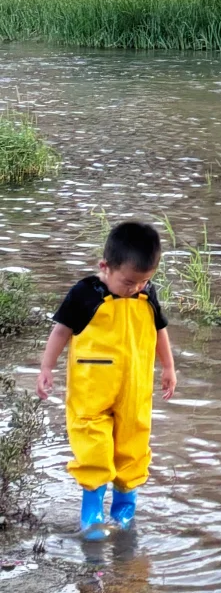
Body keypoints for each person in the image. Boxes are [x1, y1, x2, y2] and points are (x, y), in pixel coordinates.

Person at [36, 220, 177, 539]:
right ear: (105, 267)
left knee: (133, 447)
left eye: (144, 281)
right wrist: (46, 368)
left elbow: (159, 330)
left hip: (134, 390)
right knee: (93, 448)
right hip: (92, 392)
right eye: (129, 282)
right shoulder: (85, 293)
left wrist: (169, 368)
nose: (136, 288)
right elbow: (61, 331)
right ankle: (92, 511)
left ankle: (125, 508)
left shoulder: (147, 293)